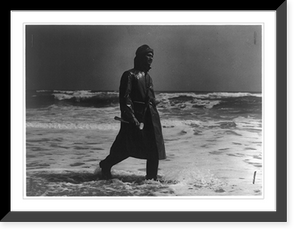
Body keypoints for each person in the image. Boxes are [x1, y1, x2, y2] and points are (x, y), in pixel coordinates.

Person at [99, 44, 166, 180]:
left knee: (153, 148)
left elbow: (150, 97)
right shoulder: (129, 75)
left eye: (152, 56)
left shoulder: (148, 78)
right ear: (140, 57)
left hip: (150, 117)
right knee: (126, 147)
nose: (151, 58)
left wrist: (154, 101)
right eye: (148, 55)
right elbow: (126, 98)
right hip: (136, 116)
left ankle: (152, 179)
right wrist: (131, 117)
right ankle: (106, 164)